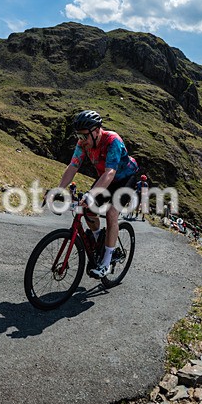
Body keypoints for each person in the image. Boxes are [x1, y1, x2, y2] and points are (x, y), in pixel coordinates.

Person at [52, 110, 139, 278]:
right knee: (87, 209)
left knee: (111, 212)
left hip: (124, 178)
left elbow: (110, 173)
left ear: (97, 130)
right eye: (79, 136)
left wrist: (91, 194)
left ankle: (106, 262)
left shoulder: (112, 141)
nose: (82, 140)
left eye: (84, 135)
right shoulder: (82, 143)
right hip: (106, 179)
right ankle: (99, 239)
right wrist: (59, 188)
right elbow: (73, 166)